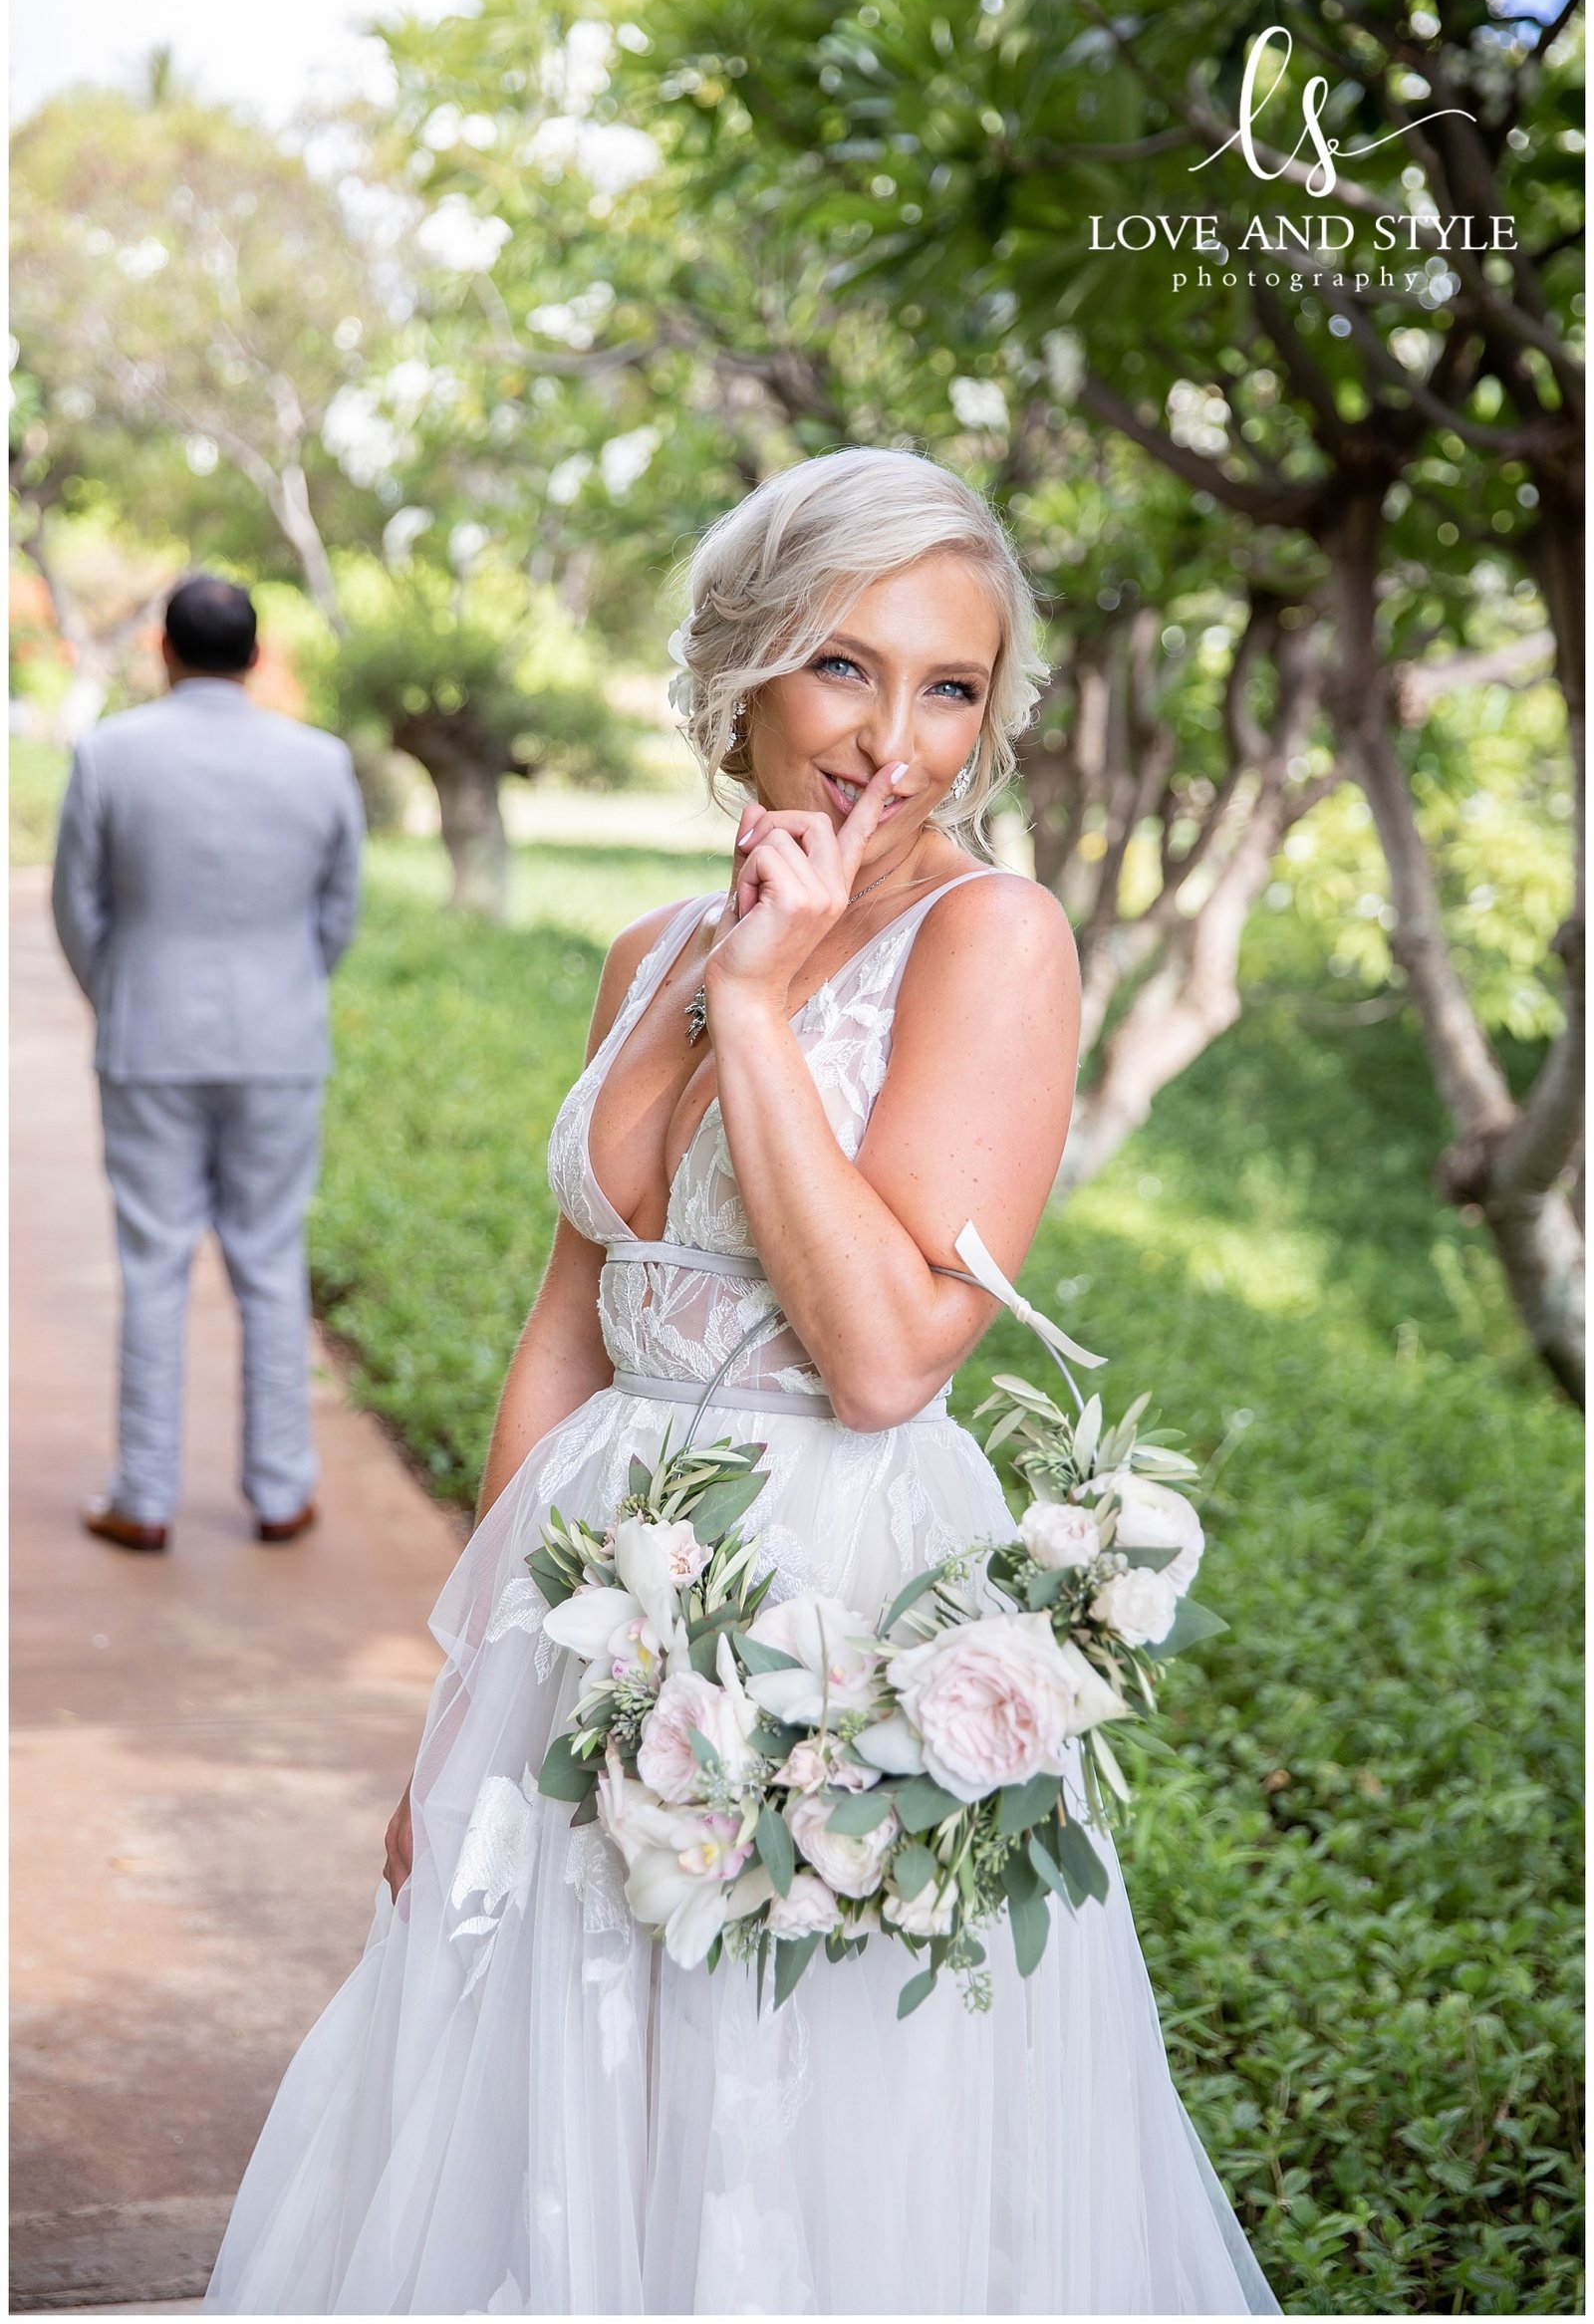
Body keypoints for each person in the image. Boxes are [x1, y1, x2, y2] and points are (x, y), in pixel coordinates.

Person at [204, 452, 1278, 2314]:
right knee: (560, 2092)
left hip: (833, 1603)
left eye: (953, 687)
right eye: (846, 670)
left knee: (789, 2118)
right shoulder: (651, 948)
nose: (898, 742)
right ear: (746, 678)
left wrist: (767, 1010)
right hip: (588, 1602)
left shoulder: (991, 938)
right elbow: (569, 1327)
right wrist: (464, 1702)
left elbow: (882, 1356)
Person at [51, 573, 366, 1553]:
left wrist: (122, 991)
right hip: (279, 1038)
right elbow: (338, 909)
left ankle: (142, 1497)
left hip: (149, 1038)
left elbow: (76, 905)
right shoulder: (321, 761)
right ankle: (280, 1491)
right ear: (257, 655)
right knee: (270, 1260)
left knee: (152, 1264)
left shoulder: (109, 751)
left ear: (166, 650)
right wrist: (286, 985)